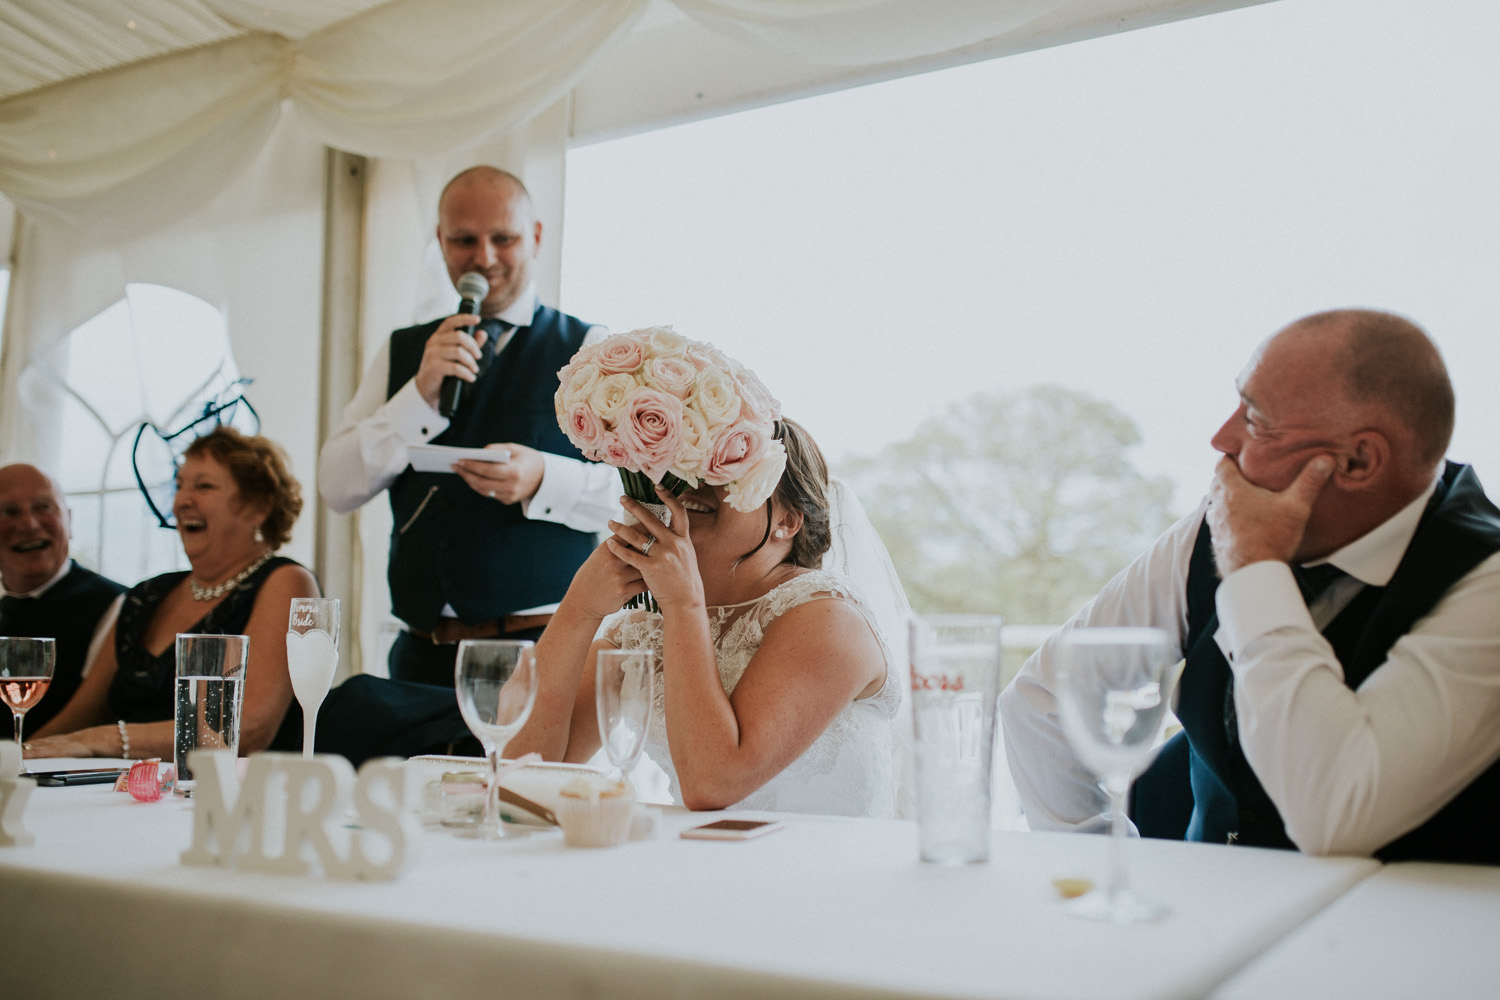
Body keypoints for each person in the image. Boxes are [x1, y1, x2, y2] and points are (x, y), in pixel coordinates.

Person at [1000, 309, 1500, 863]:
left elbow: (1335, 817)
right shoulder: (1215, 526)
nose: (1221, 439)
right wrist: (1105, 872)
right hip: (1210, 913)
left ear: (1359, 460)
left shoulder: (1487, 581)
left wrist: (1255, 568)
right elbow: (1044, 700)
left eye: (1257, 421)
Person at [505, 418, 907, 817]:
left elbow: (713, 785)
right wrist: (579, 609)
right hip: (697, 866)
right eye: (687, 465)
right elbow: (523, 774)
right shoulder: (645, 631)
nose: (696, 481)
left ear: (787, 521)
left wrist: (683, 605)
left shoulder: (828, 617)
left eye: (730, 465)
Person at [318, 165, 616, 686]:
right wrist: (418, 396)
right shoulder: (403, 350)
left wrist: (544, 478)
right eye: (464, 240)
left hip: (541, 649)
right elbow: (336, 486)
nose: (484, 259)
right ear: (439, 240)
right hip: (420, 657)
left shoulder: (588, 346)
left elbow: (636, 496)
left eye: (504, 238)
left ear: (537, 238)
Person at [25, 428, 319, 760]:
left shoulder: (287, 582)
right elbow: (77, 719)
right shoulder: (147, 595)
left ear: (258, 507)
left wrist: (107, 740)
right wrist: (14, 761)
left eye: (204, 486)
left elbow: (247, 729)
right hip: (122, 793)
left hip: (222, 800)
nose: (181, 501)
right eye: (179, 486)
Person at [0, 464, 125, 735]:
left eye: (44, 507)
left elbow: (87, 718)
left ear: (69, 520)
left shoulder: (116, 605)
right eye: (9, 512)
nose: (29, 525)